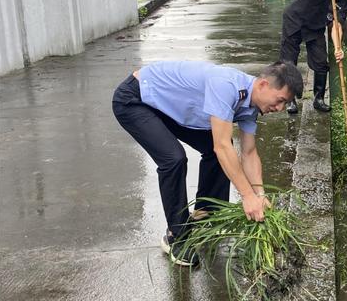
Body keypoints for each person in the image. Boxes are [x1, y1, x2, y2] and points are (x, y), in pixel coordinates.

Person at [112, 60, 303, 266]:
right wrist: (247, 196)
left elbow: (249, 152)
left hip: (166, 107)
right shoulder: (227, 87)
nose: (280, 108)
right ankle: (177, 236)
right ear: (264, 85)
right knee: (174, 158)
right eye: (280, 100)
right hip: (136, 100)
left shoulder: (251, 106)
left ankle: (206, 213)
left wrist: (259, 195)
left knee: (219, 148)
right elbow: (222, 148)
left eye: (285, 104)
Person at [280, 0, 347, 114]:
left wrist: (338, 48)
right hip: (295, 19)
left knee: (321, 62)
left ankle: (319, 99)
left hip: (315, 27)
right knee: (288, 61)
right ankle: (290, 99)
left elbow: (336, 26)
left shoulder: (344, 2)